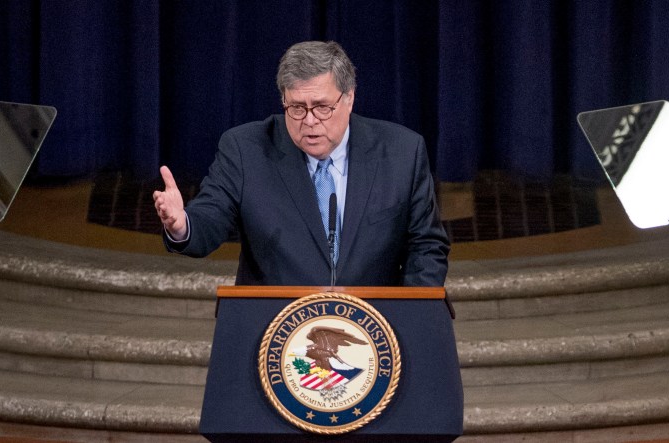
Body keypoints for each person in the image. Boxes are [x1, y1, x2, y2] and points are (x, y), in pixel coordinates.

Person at [153, 40, 449, 287]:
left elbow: (427, 247)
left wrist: (410, 316)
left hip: (371, 328)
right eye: (296, 107)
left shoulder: (402, 152)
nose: (309, 121)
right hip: (275, 327)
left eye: (321, 107)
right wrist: (183, 225)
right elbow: (211, 218)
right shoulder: (246, 149)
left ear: (349, 98)